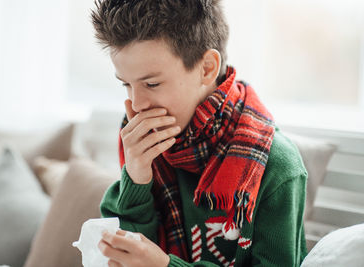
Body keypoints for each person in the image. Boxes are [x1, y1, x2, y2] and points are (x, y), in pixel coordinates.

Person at [91, 0, 308, 266]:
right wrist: (136, 179)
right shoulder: (147, 145)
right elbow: (118, 255)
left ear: (206, 69)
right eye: (126, 84)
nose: (136, 104)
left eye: (152, 83)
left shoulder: (277, 167)